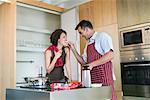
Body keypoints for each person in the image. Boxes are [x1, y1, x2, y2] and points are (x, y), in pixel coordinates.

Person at [68, 20, 117, 100]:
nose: (81, 36)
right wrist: (73, 49)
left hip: (105, 78)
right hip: (93, 81)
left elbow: (111, 55)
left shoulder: (102, 36)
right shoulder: (88, 44)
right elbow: (83, 63)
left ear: (87, 29)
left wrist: (92, 64)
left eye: (81, 32)